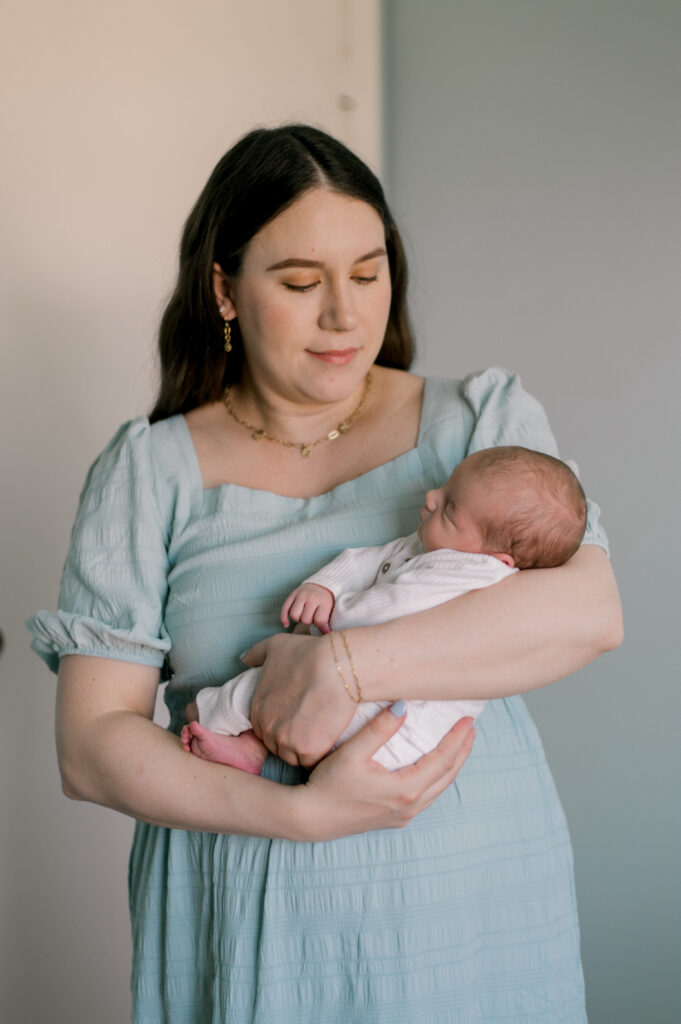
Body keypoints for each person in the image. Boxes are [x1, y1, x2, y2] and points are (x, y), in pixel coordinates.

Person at [28, 124, 622, 1023]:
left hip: (467, 907)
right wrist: (299, 816)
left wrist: (341, 668)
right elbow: (89, 748)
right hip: (248, 914)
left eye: (368, 273)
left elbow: (588, 613)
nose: (345, 315)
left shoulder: (479, 424)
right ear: (223, 289)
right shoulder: (148, 473)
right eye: (301, 283)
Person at [182, 445, 587, 775]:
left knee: (266, 683)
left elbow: (384, 611)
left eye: (448, 508)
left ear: (495, 558)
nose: (430, 498)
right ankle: (251, 749)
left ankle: (207, 714)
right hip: (369, 703)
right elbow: (363, 560)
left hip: (398, 727)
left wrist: (331, 620)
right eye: (445, 488)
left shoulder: (466, 573)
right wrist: (324, 585)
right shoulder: (436, 545)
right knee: (285, 694)